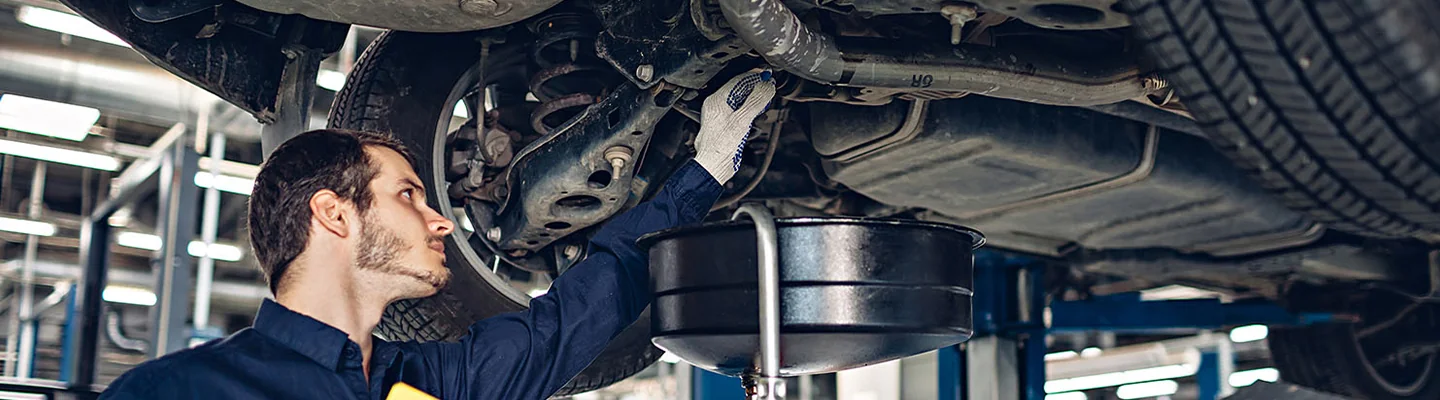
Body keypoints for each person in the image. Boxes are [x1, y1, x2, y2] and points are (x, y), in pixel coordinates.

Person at [99, 71, 776, 399]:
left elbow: (574, 317)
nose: (442, 220)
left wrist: (707, 169)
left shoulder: (427, 382)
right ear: (334, 214)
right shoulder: (178, 393)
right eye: (407, 195)